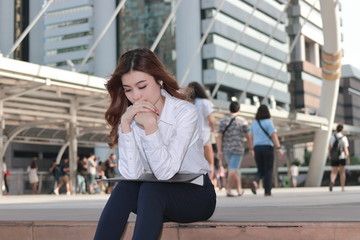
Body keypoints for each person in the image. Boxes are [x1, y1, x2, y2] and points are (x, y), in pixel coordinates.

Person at [94, 48, 216, 240]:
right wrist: (125, 125)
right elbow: (131, 175)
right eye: (128, 89)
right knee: (125, 188)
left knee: (152, 188)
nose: (136, 96)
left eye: (142, 86)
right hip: (153, 199)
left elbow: (165, 173)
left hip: (196, 195)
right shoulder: (130, 117)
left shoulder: (185, 112)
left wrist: (151, 127)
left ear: (159, 80)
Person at [216, 101, 253, 197]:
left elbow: (219, 136)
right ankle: (228, 190)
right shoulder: (242, 121)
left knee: (234, 169)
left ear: (229, 109)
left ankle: (239, 190)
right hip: (238, 149)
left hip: (226, 149)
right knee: (233, 169)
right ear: (239, 109)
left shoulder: (223, 121)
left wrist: (219, 150)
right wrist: (251, 148)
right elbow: (248, 136)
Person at [249, 104, 283, 196]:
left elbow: (250, 137)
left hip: (257, 148)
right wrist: (279, 148)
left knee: (260, 169)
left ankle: (255, 181)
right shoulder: (269, 122)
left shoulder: (254, 123)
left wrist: (251, 148)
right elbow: (273, 135)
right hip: (267, 147)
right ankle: (267, 192)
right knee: (268, 170)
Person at [187, 82, 216, 181]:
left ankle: (197, 184)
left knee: (196, 164)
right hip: (205, 136)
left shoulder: (187, 103)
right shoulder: (205, 102)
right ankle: (209, 184)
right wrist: (213, 129)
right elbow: (211, 120)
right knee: (210, 162)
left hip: (191, 137)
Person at [329, 124, 350, 192]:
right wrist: (347, 157)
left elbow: (329, 148)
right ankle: (342, 187)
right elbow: (345, 149)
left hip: (334, 157)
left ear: (336, 129)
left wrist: (331, 155)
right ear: (342, 130)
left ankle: (332, 181)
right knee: (342, 172)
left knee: (333, 172)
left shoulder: (332, 137)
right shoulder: (344, 138)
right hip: (342, 156)